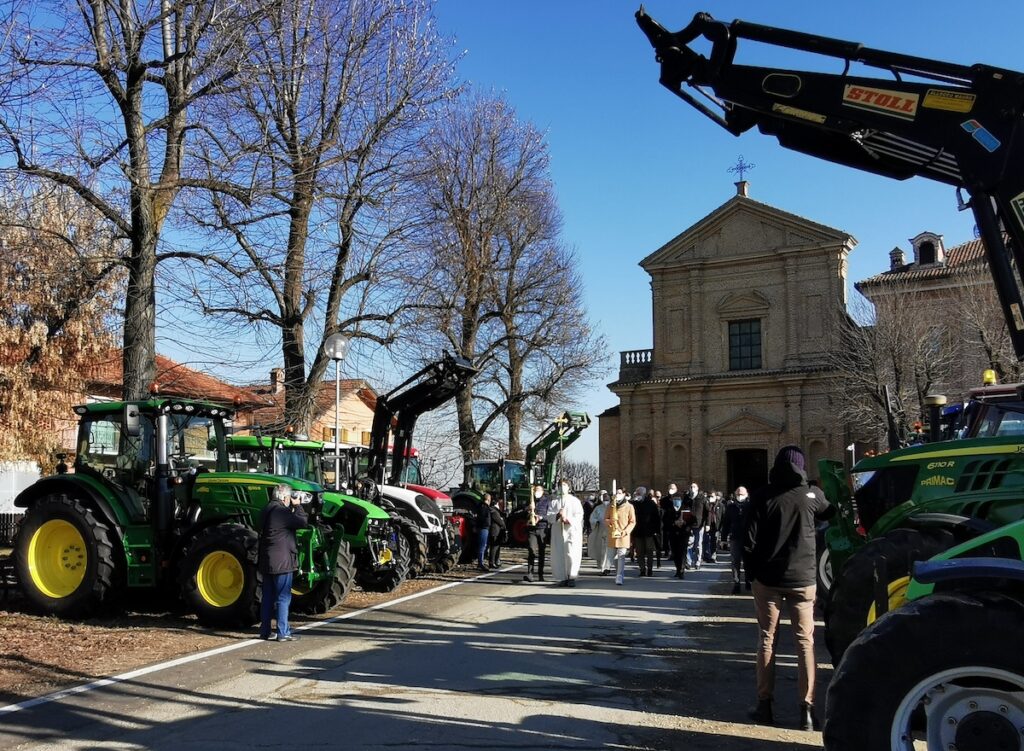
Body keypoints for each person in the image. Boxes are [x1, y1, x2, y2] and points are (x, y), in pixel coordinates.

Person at [743, 446, 833, 731]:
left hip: (768, 580)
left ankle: (764, 705)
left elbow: (747, 540)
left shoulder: (761, 497)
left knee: (767, 640)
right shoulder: (812, 496)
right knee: (805, 643)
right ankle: (807, 711)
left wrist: (752, 574)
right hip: (804, 580)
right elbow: (831, 513)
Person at [258, 484, 309, 642]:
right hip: (282, 561)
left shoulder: (265, 510)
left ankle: (265, 631)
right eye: (289, 498)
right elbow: (302, 522)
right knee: (283, 597)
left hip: (266, 559)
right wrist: (298, 506)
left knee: (267, 597)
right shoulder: (281, 512)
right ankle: (283, 632)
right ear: (284, 497)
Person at [547, 480, 584, 587]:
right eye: (560, 485)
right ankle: (562, 576)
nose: (562, 487)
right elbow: (549, 516)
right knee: (559, 554)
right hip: (558, 531)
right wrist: (558, 515)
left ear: (568, 487)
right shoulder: (554, 502)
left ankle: (571, 576)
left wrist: (568, 519)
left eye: (564, 485)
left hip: (571, 531)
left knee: (571, 553)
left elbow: (579, 515)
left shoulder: (574, 501)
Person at [722, 486, 751, 594]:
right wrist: (723, 539)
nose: (740, 496)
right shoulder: (731, 507)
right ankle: (736, 583)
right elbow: (726, 524)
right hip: (735, 538)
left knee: (748, 561)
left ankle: (748, 581)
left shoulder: (750, 506)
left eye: (742, 494)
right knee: (735, 561)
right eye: (738, 494)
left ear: (747, 494)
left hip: (748, 538)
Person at [607, 488, 636, 585]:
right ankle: (618, 572)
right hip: (613, 534)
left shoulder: (629, 506)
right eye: (616, 493)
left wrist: (626, 531)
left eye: (620, 493)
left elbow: (632, 521)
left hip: (623, 535)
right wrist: (610, 523)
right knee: (613, 556)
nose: (618, 495)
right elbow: (606, 519)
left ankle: (619, 575)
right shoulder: (611, 505)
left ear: (624, 494)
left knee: (621, 555)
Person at [632, 487, 661, 577]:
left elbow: (656, 518)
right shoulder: (633, 504)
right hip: (637, 531)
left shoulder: (651, 503)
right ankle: (642, 569)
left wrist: (656, 530)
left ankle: (650, 569)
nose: (637, 495)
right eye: (637, 493)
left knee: (649, 551)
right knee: (639, 552)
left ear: (644, 494)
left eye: (639, 493)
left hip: (649, 531)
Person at [662, 483, 688, 579]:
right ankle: (678, 569)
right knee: (675, 552)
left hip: (683, 532)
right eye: (675, 500)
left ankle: (682, 570)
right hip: (673, 532)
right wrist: (674, 523)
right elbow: (665, 519)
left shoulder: (685, 507)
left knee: (682, 551)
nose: (676, 501)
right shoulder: (669, 508)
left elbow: (690, 519)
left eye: (678, 500)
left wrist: (683, 522)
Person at [683, 482, 708, 570]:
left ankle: (698, 561)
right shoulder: (687, 498)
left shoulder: (702, 498)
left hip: (699, 525)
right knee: (689, 544)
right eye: (691, 486)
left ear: (697, 488)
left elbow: (707, 512)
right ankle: (688, 562)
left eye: (694, 486)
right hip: (689, 525)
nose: (692, 488)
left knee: (698, 544)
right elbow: (683, 509)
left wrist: (707, 524)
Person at [588, 491, 610, 574]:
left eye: (607, 499)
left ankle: (607, 567)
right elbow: (592, 518)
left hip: (610, 531)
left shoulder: (612, 507)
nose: (606, 501)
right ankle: (602, 566)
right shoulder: (598, 508)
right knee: (601, 549)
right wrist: (595, 521)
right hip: (600, 531)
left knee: (608, 550)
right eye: (604, 499)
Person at [486, 497, 507, 569]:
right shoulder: (493, 510)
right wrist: (503, 525)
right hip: (495, 531)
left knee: (497, 547)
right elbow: (499, 520)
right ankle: (491, 562)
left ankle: (495, 561)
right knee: (494, 547)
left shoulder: (496, 510)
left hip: (498, 531)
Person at [475, 494, 493, 571]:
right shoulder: (484, 508)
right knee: (482, 546)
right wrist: (487, 524)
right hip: (483, 528)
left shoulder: (481, 507)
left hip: (483, 528)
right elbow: (483, 519)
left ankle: (481, 562)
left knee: (483, 546)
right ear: (488, 500)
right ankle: (480, 563)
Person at [659, 483, 678, 556]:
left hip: (676, 521)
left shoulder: (679, 498)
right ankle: (668, 551)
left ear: (676, 490)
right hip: (667, 521)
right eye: (670, 488)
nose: (671, 490)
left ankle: (675, 552)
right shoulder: (664, 500)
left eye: (673, 488)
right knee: (667, 537)